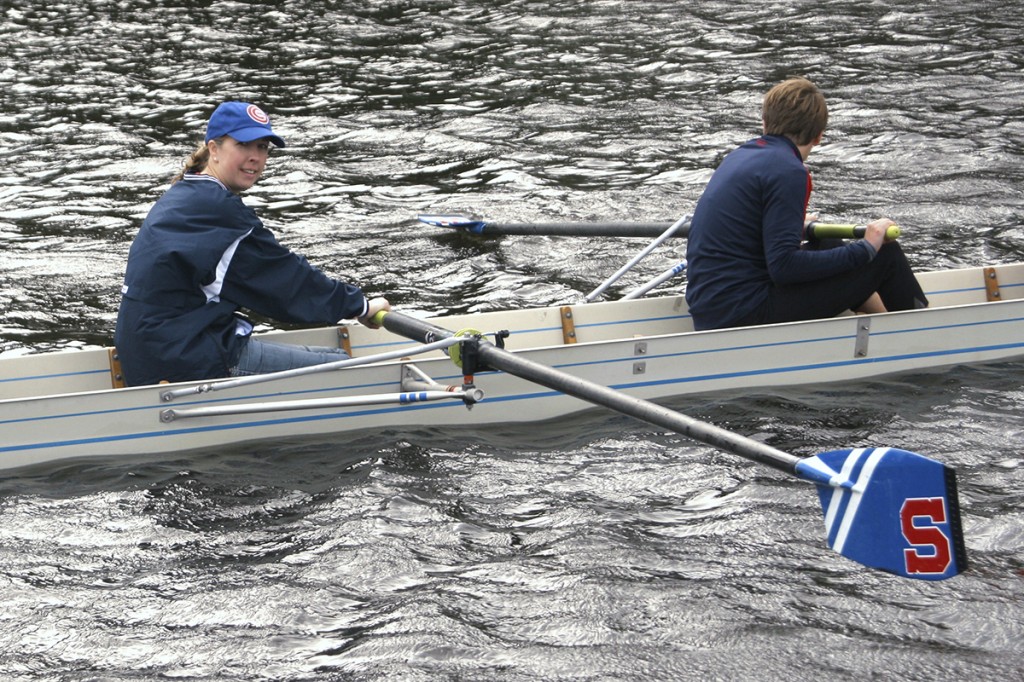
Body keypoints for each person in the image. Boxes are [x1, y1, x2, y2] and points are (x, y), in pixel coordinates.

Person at [114, 101, 390, 386]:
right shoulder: (219, 211)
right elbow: (286, 282)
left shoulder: (185, 192)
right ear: (214, 149)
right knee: (348, 370)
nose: (255, 157)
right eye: (244, 145)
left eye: (262, 147)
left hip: (149, 352)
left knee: (334, 355)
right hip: (187, 359)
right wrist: (360, 306)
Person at [684, 77, 927, 331]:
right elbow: (784, 268)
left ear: (764, 122)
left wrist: (790, 226)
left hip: (710, 309)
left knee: (827, 243)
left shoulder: (739, 156)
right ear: (819, 137)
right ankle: (926, 333)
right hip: (745, 314)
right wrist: (866, 248)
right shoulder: (788, 170)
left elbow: (749, 232)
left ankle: (879, 323)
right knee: (884, 255)